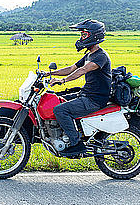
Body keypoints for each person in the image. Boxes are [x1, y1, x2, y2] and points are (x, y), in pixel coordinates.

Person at [47, 19, 112, 156]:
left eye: (84, 35)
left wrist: (62, 81)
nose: (81, 38)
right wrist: (49, 73)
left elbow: (82, 70)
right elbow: (72, 68)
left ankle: (76, 144)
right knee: (56, 99)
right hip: (86, 94)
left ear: (94, 36)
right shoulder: (89, 54)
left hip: (95, 99)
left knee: (60, 110)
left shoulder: (101, 56)